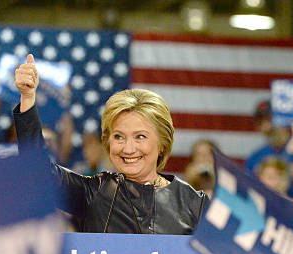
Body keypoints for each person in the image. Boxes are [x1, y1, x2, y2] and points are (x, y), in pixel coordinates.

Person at [13, 54, 208, 235]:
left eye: (140, 137)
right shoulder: (93, 193)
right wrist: (28, 98)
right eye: (119, 137)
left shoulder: (195, 204)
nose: (128, 148)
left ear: (163, 143)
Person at [245, 100, 293, 196]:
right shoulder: (255, 157)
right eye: (261, 121)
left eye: (271, 119)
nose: (267, 125)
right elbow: (251, 192)